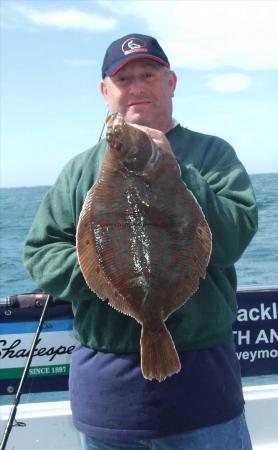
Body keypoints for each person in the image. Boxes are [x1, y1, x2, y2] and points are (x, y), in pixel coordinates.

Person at [24, 33, 258, 450]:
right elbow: (41, 253)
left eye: (148, 74)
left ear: (171, 82)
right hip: (108, 401)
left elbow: (232, 240)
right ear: (105, 93)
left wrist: (175, 170)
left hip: (204, 397)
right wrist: (109, 273)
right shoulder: (80, 170)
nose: (136, 87)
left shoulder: (212, 155)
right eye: (123, 78)